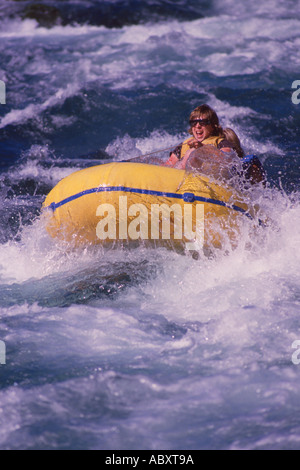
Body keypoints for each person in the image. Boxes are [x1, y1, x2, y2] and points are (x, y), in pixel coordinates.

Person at [165, 104, 266, 186]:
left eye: (203, 122)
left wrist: (202, 150)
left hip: (211, 184)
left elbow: (227, 159)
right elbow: (168, 165)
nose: (198, 126)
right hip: (180, 181)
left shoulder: (221, 142)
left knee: (192, 152)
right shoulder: (183, 145)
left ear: (213, 126)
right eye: (194, 123)